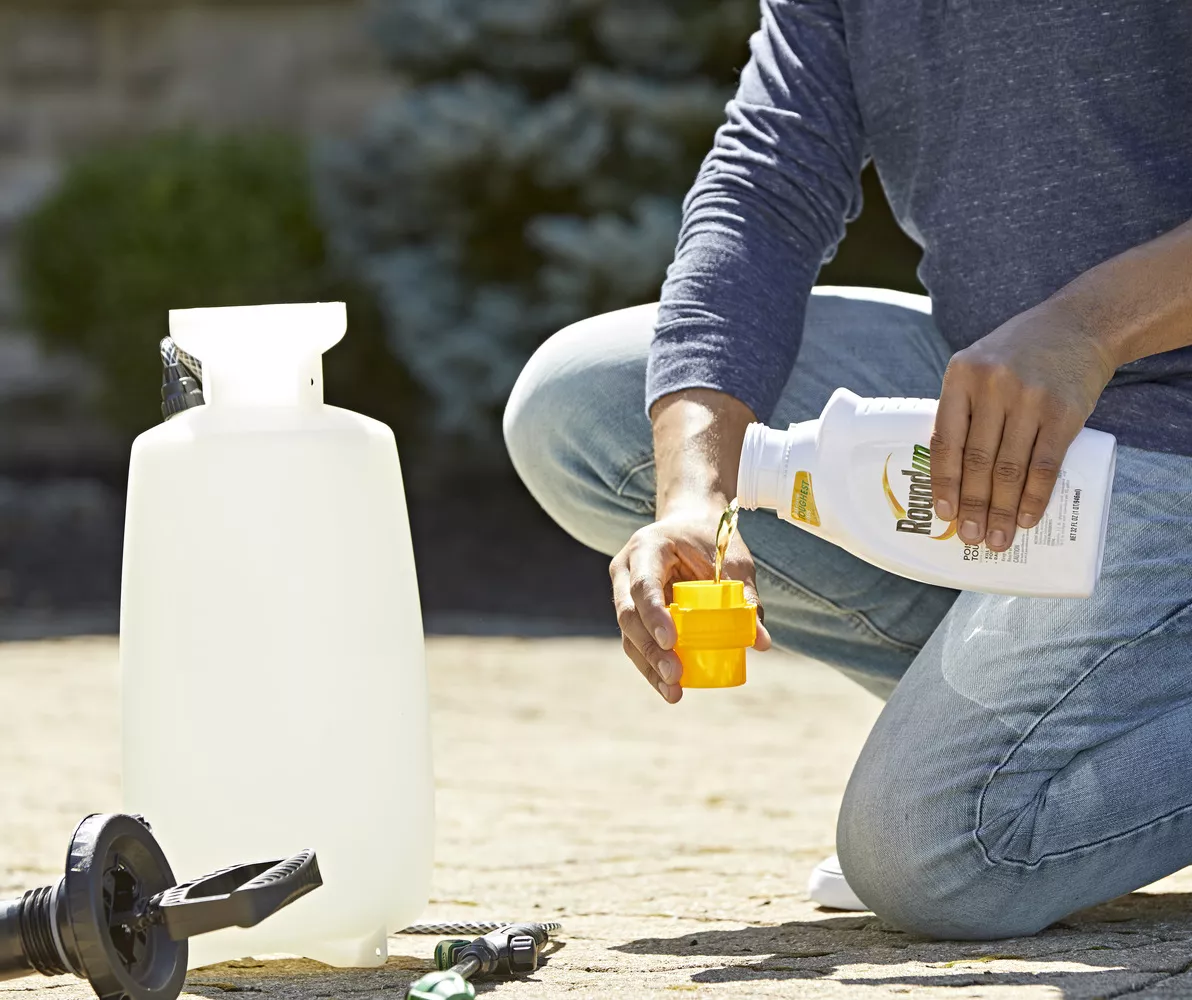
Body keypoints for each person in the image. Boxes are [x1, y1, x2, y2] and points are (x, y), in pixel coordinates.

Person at [503, 0, 1192, 940]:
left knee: (931, 852)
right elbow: (764, 190)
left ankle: (1020, 763)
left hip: (1171, 424)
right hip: (1007, 397)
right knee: (585, 408)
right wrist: (698, 499)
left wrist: (1090, 327)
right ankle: (1062, 730)